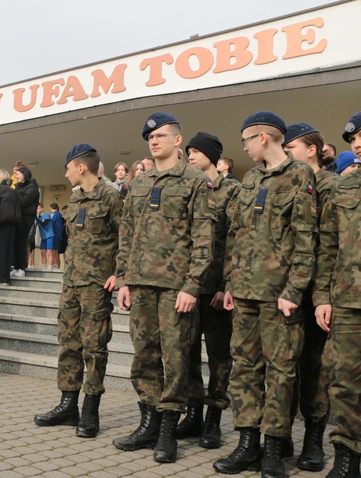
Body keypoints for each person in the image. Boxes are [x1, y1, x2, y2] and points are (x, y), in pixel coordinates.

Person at [214, 112, 317, 478]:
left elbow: (306, 240)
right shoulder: (251, 178)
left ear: (262, 138)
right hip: (244, 293)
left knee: (281, 372)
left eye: (245, 141)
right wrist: (229, 284)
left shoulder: (300, 176)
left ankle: (273, 449)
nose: (242, 148)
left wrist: (294, 289)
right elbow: (238, 236)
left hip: (279, 297)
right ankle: (247, 445)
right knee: (244, 370)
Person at [113, 112, 216, 464]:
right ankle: (149, 423)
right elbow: (126, 234)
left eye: (160, 135)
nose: (153, 141)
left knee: (176, 358)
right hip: (140, 283)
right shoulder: (139, 184)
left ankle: (169, 431)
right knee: (144, 355)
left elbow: (205, 238)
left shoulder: (194, 180)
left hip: (176, 287)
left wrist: (193, 284)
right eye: (149, 137)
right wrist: (123, 278)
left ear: (177, 140)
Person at [33, 144, 122, 438]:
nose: (66, 173)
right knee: (69, 343)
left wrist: (119, 274)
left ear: (81, 167)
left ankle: (90, 411)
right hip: (71, 283)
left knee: (94, 347)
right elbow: (72, 243)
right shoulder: (75, 200)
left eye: (68, 168)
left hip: (97, 284)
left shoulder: (111, 197)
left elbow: (127, 237)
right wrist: (66, 275)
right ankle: (68, 404)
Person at [177, 132, 240, 449]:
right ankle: (193, 415)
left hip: (215, 289)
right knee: (186, 354)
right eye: (187, 150)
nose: (190, 154)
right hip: (189, 287)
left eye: (196, 150)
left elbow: (235, 241)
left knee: (219, 358)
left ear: (213, 155)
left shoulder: (232, 191)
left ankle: (214, 420)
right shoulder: (189, 186)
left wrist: (226, 285)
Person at [281, 122, 338, 471]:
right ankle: (281, 435)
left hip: (318, 292)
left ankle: (313, 441)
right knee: (283, 367)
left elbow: (330, 246)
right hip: (285, 289)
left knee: (315, 369)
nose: (287, 153)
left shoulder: (333, 186)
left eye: (292, 148)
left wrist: (323, 294)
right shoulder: (284, 183)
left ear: (312, 149)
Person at [312, 110, 361, 478]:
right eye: (352, 140)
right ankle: (346, 456)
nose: (357, 144)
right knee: (343, 382)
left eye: (360, 137)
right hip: (347, 300)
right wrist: (323, 296)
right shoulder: (344, 188)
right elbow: (327, 246)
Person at [0, 169, 21, 286]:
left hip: (1, 222)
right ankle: (6, 278)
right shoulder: (13, 191)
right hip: (13, 223)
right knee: (7, 251)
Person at [12, 166, 39, 279]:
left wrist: (16, 191)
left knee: (22, 242)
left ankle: (22, 268)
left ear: (24, 174)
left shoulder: (32, 187)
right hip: (19, 217)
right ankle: (16, 267)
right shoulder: (21, 187)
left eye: (18, 174)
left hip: (26, 218)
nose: (16, 177)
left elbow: (23, 202)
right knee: (16, 242)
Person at [35, 204, 53, 270]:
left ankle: (50, 267)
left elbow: (43, 224)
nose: (37, 210)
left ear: (42, 209)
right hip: (43, 237)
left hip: (49, 235)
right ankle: (44, 267)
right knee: (42, 252)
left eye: (38, 209)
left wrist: (36, 217)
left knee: (49, 252)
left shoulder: (46, 215)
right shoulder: (38, 217)